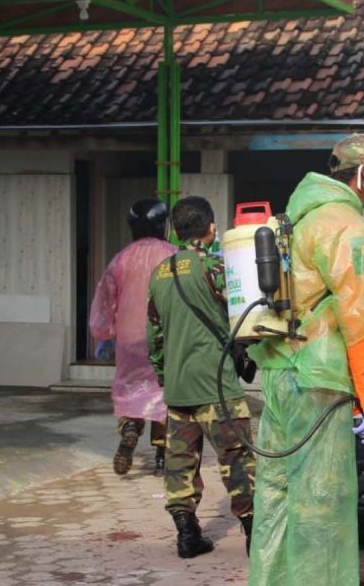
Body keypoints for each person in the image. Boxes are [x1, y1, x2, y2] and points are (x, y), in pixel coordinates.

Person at [247, 134, 364, 586]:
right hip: (317, 379)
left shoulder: (298, 215)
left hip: (278, 372)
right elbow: (363, 316)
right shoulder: (342, 223)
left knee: (277, 494)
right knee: (322, 499)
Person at [146, 196, 256, 559]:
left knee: (180, 464)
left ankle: (187, 537)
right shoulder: (216, 268)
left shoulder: (159, 274)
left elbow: (155, 338)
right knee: (237, 459)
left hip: (179, 390)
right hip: (217, 388)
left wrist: (166, 376)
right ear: (211, 228)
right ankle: (256, 537)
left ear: (176, 231)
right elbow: (247, 318)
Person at [89, 199, 176, 476]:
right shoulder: (174, 256)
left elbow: (105, 300)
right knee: (165, 395)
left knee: (133, 391)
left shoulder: (121, 259)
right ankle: (163, 454)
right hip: (166, 337)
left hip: (129, 341)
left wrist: (103, 334)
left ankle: (129, 428)